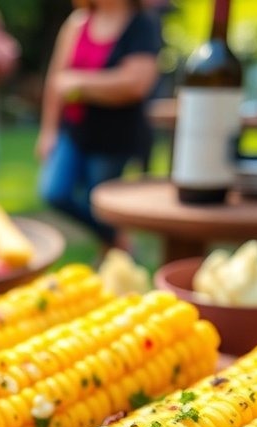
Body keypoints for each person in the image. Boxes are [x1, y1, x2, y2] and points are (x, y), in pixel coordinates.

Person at [36, 0, 161, 250]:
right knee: (54, 192)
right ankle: (119, 242)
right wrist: (48, 130)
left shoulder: (142, 25)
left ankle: (110, 256)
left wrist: (80, 84)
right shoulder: (78, 22)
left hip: (114, 136)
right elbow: (56, 81)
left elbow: (136, 84)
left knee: (100, 204)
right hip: (74, 130)